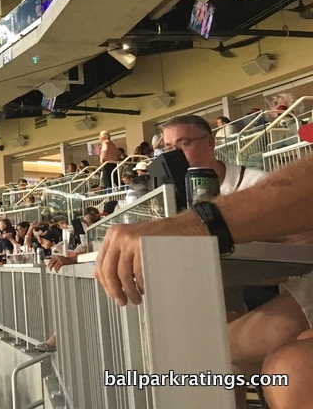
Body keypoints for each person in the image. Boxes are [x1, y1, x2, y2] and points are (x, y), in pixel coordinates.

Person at [94, 154, 313, 409]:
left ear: (209, 142)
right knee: (214, 347)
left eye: (184, 143)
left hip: (279, 279)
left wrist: (200, 222)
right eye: (170, 145)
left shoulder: (253, 178)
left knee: (291, 370)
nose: (177, 150)